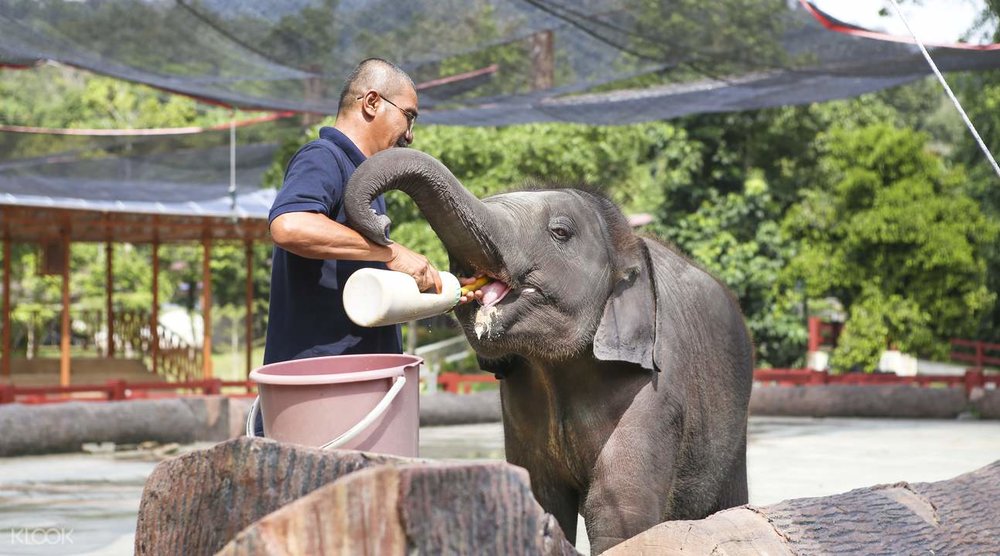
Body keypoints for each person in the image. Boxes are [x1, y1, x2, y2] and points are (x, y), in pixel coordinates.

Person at [264, 58, 445, 365]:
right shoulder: (324, 157)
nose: (410, 135)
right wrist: (391, 252)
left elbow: (357, 271)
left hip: (358, 379)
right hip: (321, 379)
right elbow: (289, 225)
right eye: (408, 117)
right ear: (372, 102)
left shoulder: (365, 179)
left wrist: (439, 284)